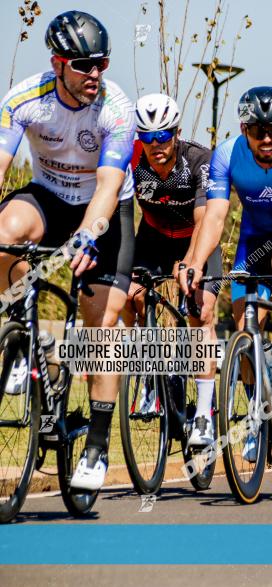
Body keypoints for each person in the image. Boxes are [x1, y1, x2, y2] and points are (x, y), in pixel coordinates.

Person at [0, 11, 136, 490]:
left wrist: (88, 234)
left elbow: (109, 183)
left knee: (101, 321)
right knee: (6, 230)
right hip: (49, 197)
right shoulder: (25, 99)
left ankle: (96, 445)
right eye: (83, 65)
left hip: (105, 210)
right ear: (58, 64)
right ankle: (20, 340)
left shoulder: (117, 109)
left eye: (101, 62)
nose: (95, 73)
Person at [180, 86, 272, 461]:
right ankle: (256, 415)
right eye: (257, 130)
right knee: (244, 321)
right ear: (243, 129)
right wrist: (195, 261)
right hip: (254, 235)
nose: (265, 139)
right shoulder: (226, 154)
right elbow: (214, 216)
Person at [124, 93, 221, 448]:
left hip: (194, 240)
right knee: (126, 295)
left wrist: (191, 261)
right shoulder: (133, 158)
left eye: (162, 136)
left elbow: (204, 219)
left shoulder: (198, 161)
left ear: (176, 133)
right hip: (151, 237)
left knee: (200, 313)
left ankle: (204, 416)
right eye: (147, 137)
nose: (155, 144)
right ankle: (149, 372)